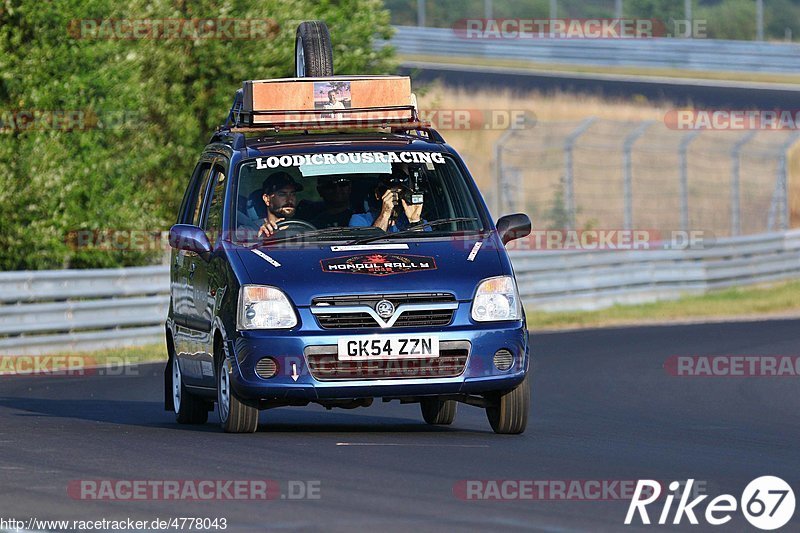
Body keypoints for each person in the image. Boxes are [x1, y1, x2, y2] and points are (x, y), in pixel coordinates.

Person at [349, 173, 424, 233]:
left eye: (401, 192)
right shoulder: (360, 221)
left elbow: (423, 248)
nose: (396, 197)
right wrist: (385, 214)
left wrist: (414, 221)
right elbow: (369, 247)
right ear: (377, 194)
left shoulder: (420, 222)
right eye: (391, 193)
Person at [258, 172, 304, 238]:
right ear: (267, 199)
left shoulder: (303, 230)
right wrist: (261, 238)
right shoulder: (250, 230)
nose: (289, 200)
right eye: (282, 194)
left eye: (293, 194)